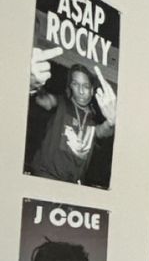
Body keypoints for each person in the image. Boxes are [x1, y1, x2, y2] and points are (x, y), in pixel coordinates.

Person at [28, 46, 116, 184]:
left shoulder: (91, 118)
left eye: (85, 86)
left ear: (92, 91)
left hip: (72, 187)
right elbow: (44, 100)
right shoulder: (61, 103)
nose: (81, 91)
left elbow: (100, 132)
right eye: (76, 84)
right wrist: (32, 85)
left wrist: (111, 122)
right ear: (70, 87)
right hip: (44, 179)